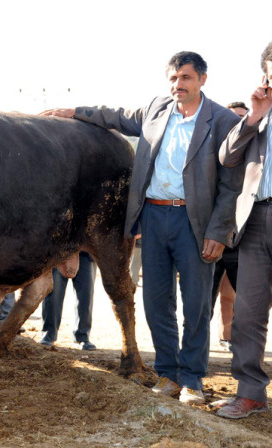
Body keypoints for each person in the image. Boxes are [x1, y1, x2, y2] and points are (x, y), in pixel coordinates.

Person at [42, 51, 241, 405]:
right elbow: (115, 116)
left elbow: (230, 184)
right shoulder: (156, 109)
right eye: (173, 79)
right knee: (154, 301)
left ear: (202, 80)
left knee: (195, 305)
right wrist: (74, 112)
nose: (178, 85)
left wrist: (218, 232)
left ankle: (193, 380)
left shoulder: (222, 120)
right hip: (153, 216)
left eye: (186, 78)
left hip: (195, 224)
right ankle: (168, 375)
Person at [216, 36, 272, 419]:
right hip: (256, 220)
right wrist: (252, 117)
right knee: (247, 315)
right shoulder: (259, 117)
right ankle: (251, 393)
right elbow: (226, 156)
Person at [211, 102, 249, 352]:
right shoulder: (211, 157)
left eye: (244, 120)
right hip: (212, 238)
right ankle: (198, 345)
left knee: (243, 299)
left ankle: (235, 341)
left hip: (242, 240)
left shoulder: (255, 158)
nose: (239, 124)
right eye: (234, 118)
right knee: (204, 298)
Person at [39, 252, 97, 350]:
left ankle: (82, 336)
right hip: (59, 250)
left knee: (86, 296)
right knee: (53, 294)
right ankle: (48, 334)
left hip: (86, 253)